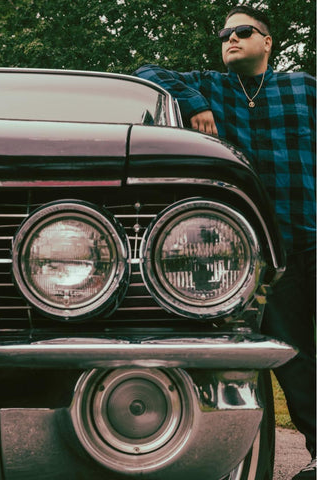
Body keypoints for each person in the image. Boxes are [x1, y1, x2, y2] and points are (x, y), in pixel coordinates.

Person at [134, 5, 316, 479]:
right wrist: (195, 103)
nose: (230, 39)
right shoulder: (212, 86)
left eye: (242, 31)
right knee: (294, 357)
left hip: (316, 236)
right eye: (224, 34)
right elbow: (147, 71)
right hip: (267, 252)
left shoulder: (303, 87)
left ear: (267, 41)